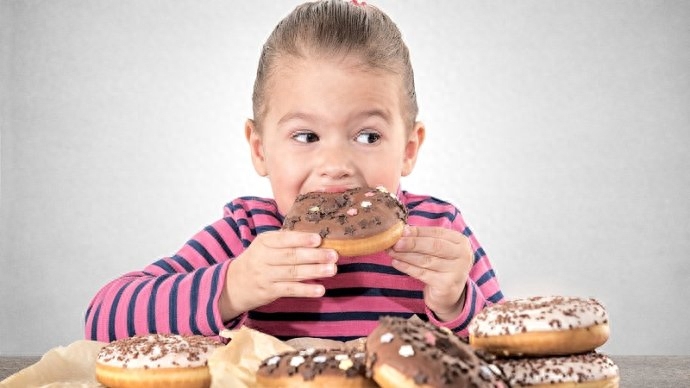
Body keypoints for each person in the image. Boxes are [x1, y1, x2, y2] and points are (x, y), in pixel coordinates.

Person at [85, 0, 503, 343]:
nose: (336, 166)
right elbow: (102, 320)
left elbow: (516, 348)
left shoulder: (439, 233)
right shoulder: (248, 235)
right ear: (260, 149)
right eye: (306, 137)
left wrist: (456, 302)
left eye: (368, 137)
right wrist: (232, 287)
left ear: (409, 148)